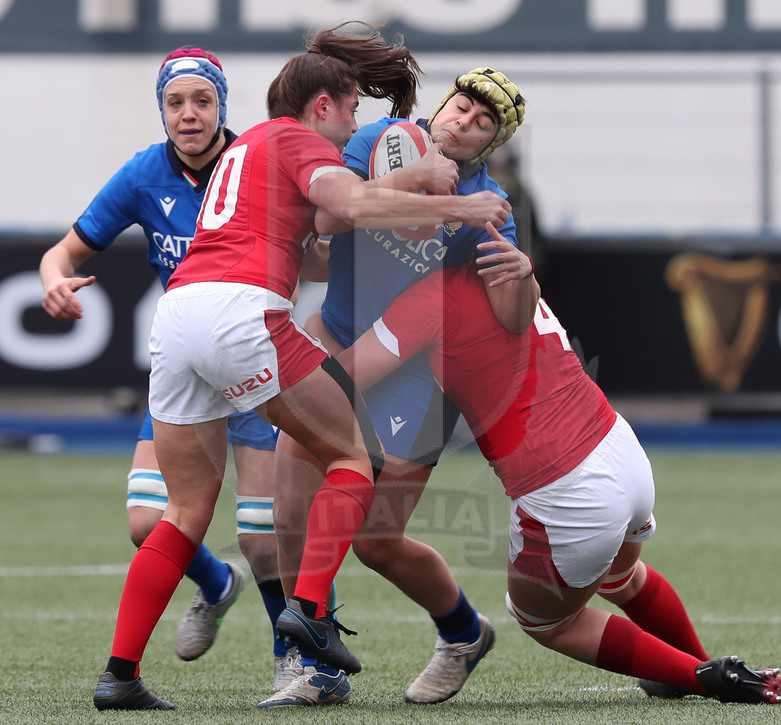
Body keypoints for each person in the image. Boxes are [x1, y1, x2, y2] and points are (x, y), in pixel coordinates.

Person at [89, 22, 513, 711]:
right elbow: (341, 205)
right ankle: (312, 622)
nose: (354, 122)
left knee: (198, 509)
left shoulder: (250, 145)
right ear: (322, 106)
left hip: (186, 317)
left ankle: (120, 672)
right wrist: (451, 202)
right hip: (253, 316)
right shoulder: (316, 141)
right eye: (348, 108)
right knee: (343, 467)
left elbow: (321, 226)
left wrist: (417, 190)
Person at [337, 245, 781, 706]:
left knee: (548, 622)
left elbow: (344, 377)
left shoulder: (427, 295)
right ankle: (703, 663)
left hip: (567, 489)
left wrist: (271, 375)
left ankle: (703, 676)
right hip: (619, 447)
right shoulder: (501, 268)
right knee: (622, 575)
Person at [39, 47, 304, 690]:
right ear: (162, 111)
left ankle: (293, 660)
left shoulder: (260, 165)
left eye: (202, 101)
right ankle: (215, 585)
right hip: (187, 363)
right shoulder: (143, 175)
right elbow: (63, 253)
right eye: (175, 103)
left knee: (262, 538)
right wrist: (54, 282)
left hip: (248, 360)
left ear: (222, 106)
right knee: (145, 523)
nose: (189, 115)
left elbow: (319, 243)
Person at [269, 67, 535, 708]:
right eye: (463, 106)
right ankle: (311, 665)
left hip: (418, 384)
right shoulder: (383, 139)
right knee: (291, 518)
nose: (465, 122)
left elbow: (512, 321)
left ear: (492, 142)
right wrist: (417, 182)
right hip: (336, 343)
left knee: (376, 543)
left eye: (483, 122)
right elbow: (329, 222)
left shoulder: (489, 208)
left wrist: (521, 276)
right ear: (444, 104)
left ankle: (463, 633)